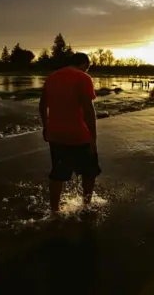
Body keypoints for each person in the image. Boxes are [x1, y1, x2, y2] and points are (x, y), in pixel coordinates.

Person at [39, 52, 101, 216]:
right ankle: (86, 205)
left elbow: (42, 104)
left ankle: (55, 210)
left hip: (56, 134)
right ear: (83, 64)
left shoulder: (52, 77)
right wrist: (93, 139)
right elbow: (88, 110)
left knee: (57, 174)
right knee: (89, 171)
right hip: (79, 134)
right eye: (87, 67)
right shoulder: (83, 78)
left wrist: (46, 127)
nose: (87, 71)